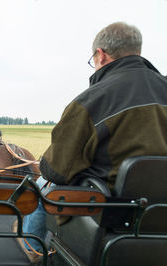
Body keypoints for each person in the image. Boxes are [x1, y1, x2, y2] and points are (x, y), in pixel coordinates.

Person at [22, 21, 167, 257]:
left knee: (42, 184)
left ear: (101, 55)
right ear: (136, 51)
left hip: (113, 213)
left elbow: (55, 171)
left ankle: (34, 251)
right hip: (161, 211)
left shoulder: (91, 101)